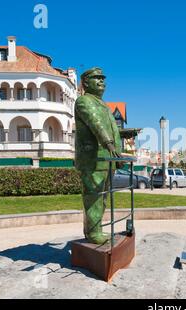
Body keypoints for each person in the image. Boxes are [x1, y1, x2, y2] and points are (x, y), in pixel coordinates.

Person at [75, 67, 123, 245]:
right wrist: (109, 144)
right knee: (93, 198)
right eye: (97, 78)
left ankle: (94, 230)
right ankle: (93, 232)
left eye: (103, 78)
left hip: (106, 159)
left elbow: (113, 130)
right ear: (85, 83)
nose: (102, 81)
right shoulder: (84, 101)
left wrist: (116, 153)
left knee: (102, 198)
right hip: (93, 160)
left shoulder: (103, 105)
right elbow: (96, 124)